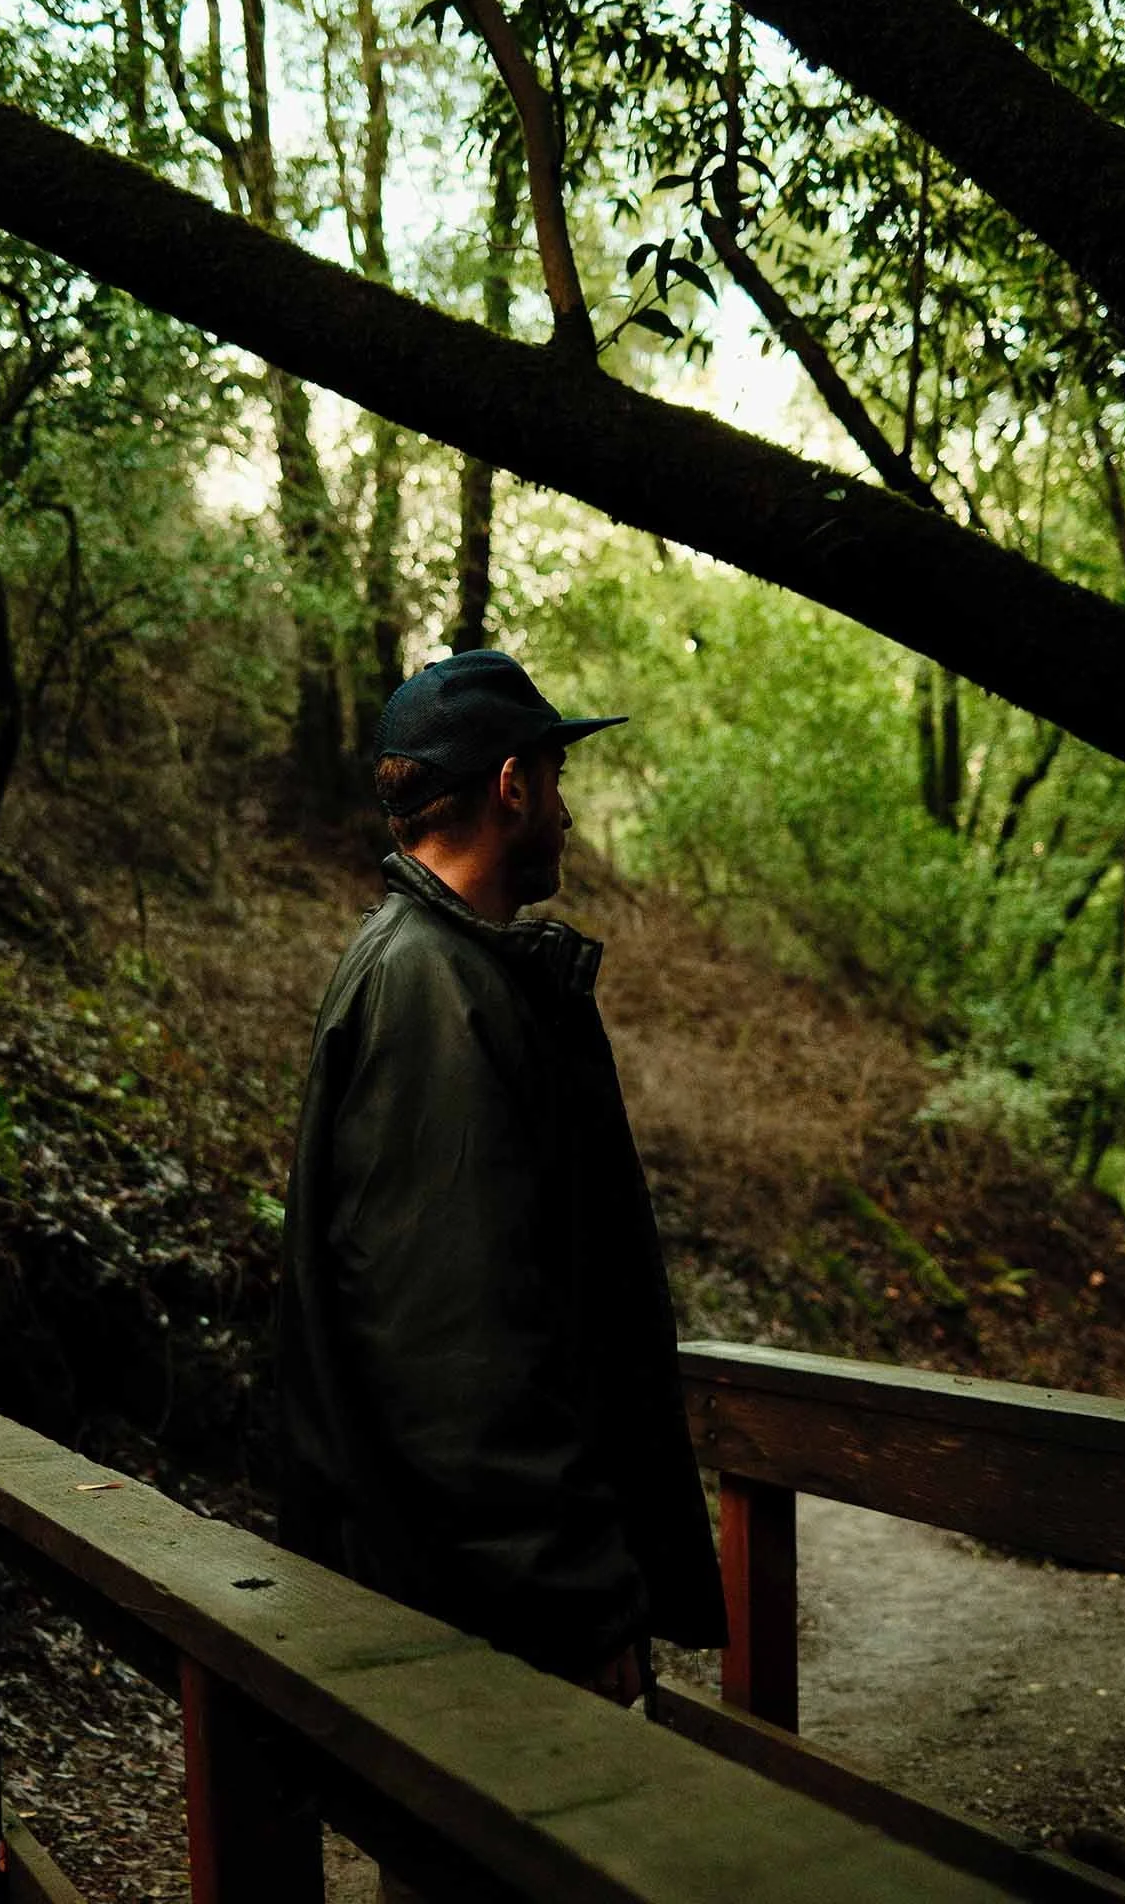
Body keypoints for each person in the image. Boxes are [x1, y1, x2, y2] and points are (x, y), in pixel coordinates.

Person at [277, 649, 725, 1717]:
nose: (568, 814)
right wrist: (577, 1604)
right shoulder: (431, 992)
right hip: (493, 1628)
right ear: (512, 786)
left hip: (473, 1604)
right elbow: (458, 1350)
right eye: (557, 781)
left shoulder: (449, 972)